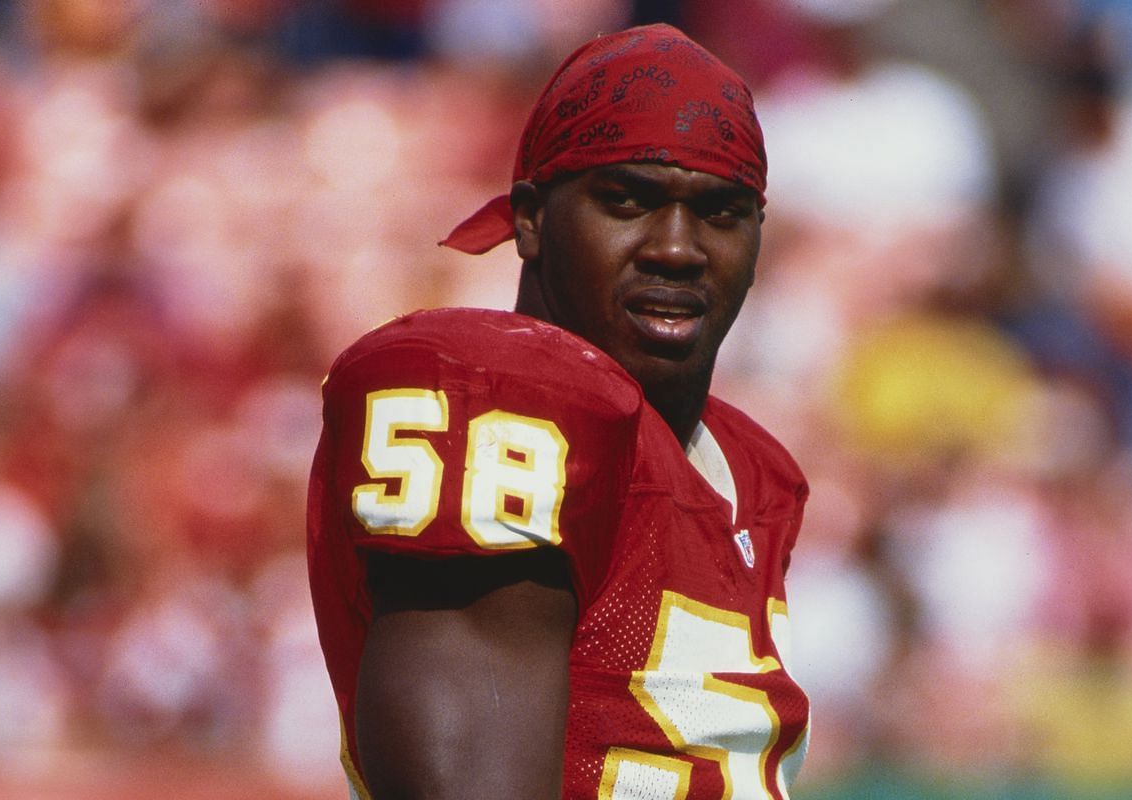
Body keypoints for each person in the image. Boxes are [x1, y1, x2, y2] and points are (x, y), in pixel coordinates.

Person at [307, 23, 810, 800]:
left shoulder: (755, 471)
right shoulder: (493, 391)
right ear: (534, 217)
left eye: (720, 211)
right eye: (628, 200)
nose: (677, 247)